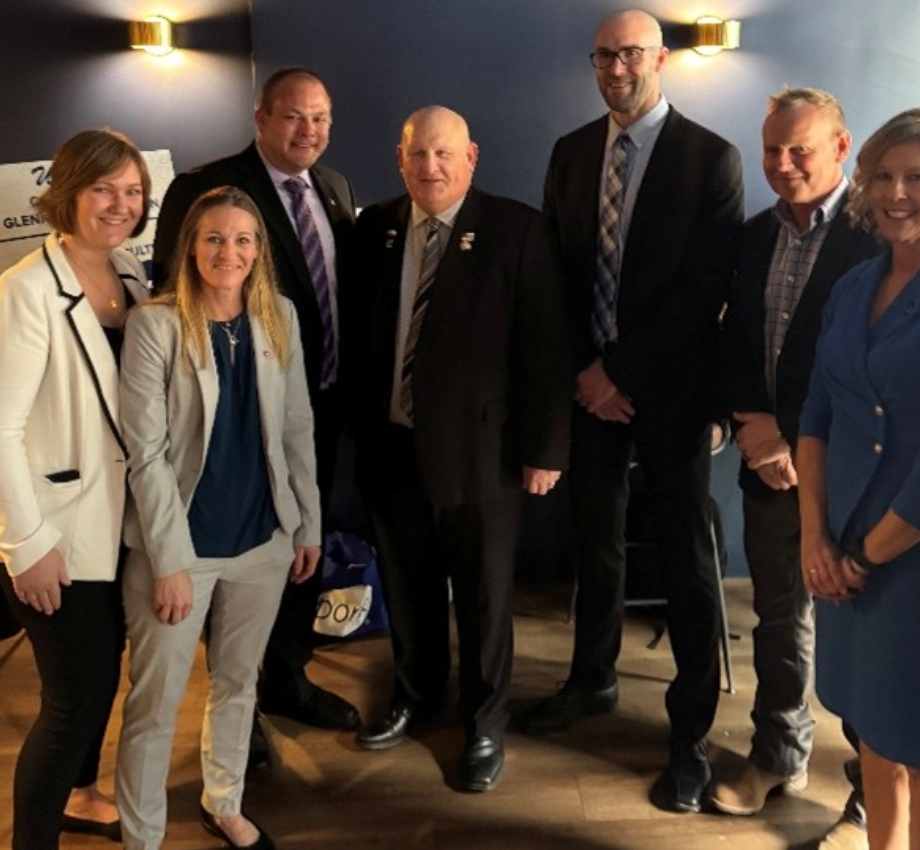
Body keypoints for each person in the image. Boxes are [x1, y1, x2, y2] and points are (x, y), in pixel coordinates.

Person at [519, 8, 744, 814]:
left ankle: (689, 735)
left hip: (672, 391)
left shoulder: (710, 158)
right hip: (590, 388)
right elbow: (554, 275)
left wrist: (619, 373)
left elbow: (702, 292)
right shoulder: (572, 153)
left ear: (661, 59)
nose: (616, 69)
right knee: (595, 539)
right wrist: (586, 369)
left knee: (685, 558)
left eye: (631, 55)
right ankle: (592, 680)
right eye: (603, 56)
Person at [346, 106, 572, 792]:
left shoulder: (515, 229)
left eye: (444, 154)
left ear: (470, 157)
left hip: (483, 457)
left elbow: (547, 350)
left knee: (481, 598)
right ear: (400, 158)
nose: (431, 167)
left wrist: (546, 450)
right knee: (409, 589)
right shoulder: (375, 228)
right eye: (419, 155)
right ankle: (416, 697)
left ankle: (483, 722)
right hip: (391, 450)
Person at [798, 108, 920, 850]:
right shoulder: (855, 285)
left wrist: (858, 559)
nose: (896, 192)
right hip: (840, 535)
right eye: (883, 175)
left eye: (917, 176)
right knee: (872, 736)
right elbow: (815, 413)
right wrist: (814, 537)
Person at [152, 67, 358, 770]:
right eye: (295, 117)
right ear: (261, 117)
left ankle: (286, 678)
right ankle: (237, 705)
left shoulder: (334, 189)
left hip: (315, 406)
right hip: (229, 413)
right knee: (228, 560)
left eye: (322, 118)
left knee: (298, 547)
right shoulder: (207, 190)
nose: (310, 131)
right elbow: (172, 293)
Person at [116, 186, 322, 850]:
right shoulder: (157, 324)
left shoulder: (279, 316)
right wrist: (168, 562)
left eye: (242, 239)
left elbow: (297, 430)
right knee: (154, 705)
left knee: (237, 684)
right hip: (180, 549)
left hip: (262, 540)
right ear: (190, 247)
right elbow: (144, 455)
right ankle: (141, 837)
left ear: (258, 250)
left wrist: (307, 524)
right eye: (213, 238)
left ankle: (224, 799)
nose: (228, 251)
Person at [713, 88, 878, 849]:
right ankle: (779, 752)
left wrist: (795, 436)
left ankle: (874, 793)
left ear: (841, 148)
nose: (781, 165)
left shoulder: (880, 237)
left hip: (854, 473)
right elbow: (739, 344)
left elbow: (875, 367)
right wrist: (751, 425)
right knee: (779, 615)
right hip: (767, 466)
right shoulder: (750, 236)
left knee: (860, 631)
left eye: (799, 150)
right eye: (771, 150)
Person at [0, 128, 151, 850]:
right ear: (67, 192)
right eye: (102, 189)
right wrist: (26, 545)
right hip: (58, 534)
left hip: (118, 528)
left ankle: (82, 794)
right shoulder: (25, 290)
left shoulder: (131, 278)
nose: (120, 204)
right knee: (72, 701)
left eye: (131, 191)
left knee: (101, 679)